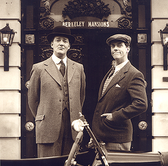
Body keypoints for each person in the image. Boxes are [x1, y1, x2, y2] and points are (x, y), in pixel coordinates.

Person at [28, 26, 86, 157]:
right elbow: (33, 99)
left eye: (65, 41)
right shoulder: (39, 68)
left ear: (69, 45)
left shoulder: (78, 68)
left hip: (71, 127)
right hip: (47, 126)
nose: (61, 43)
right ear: (51, 44)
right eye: (58, 40)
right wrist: (44, 116)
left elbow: (81, 96)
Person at [92, 34, 148, 152]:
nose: (115, 48)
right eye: (113, 46)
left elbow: (141, 104)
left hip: (117, 138)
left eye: (119, 45)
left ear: (128, 49)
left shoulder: (134, 74)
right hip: (102, 137)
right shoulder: (111, 71)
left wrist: (114, 116)